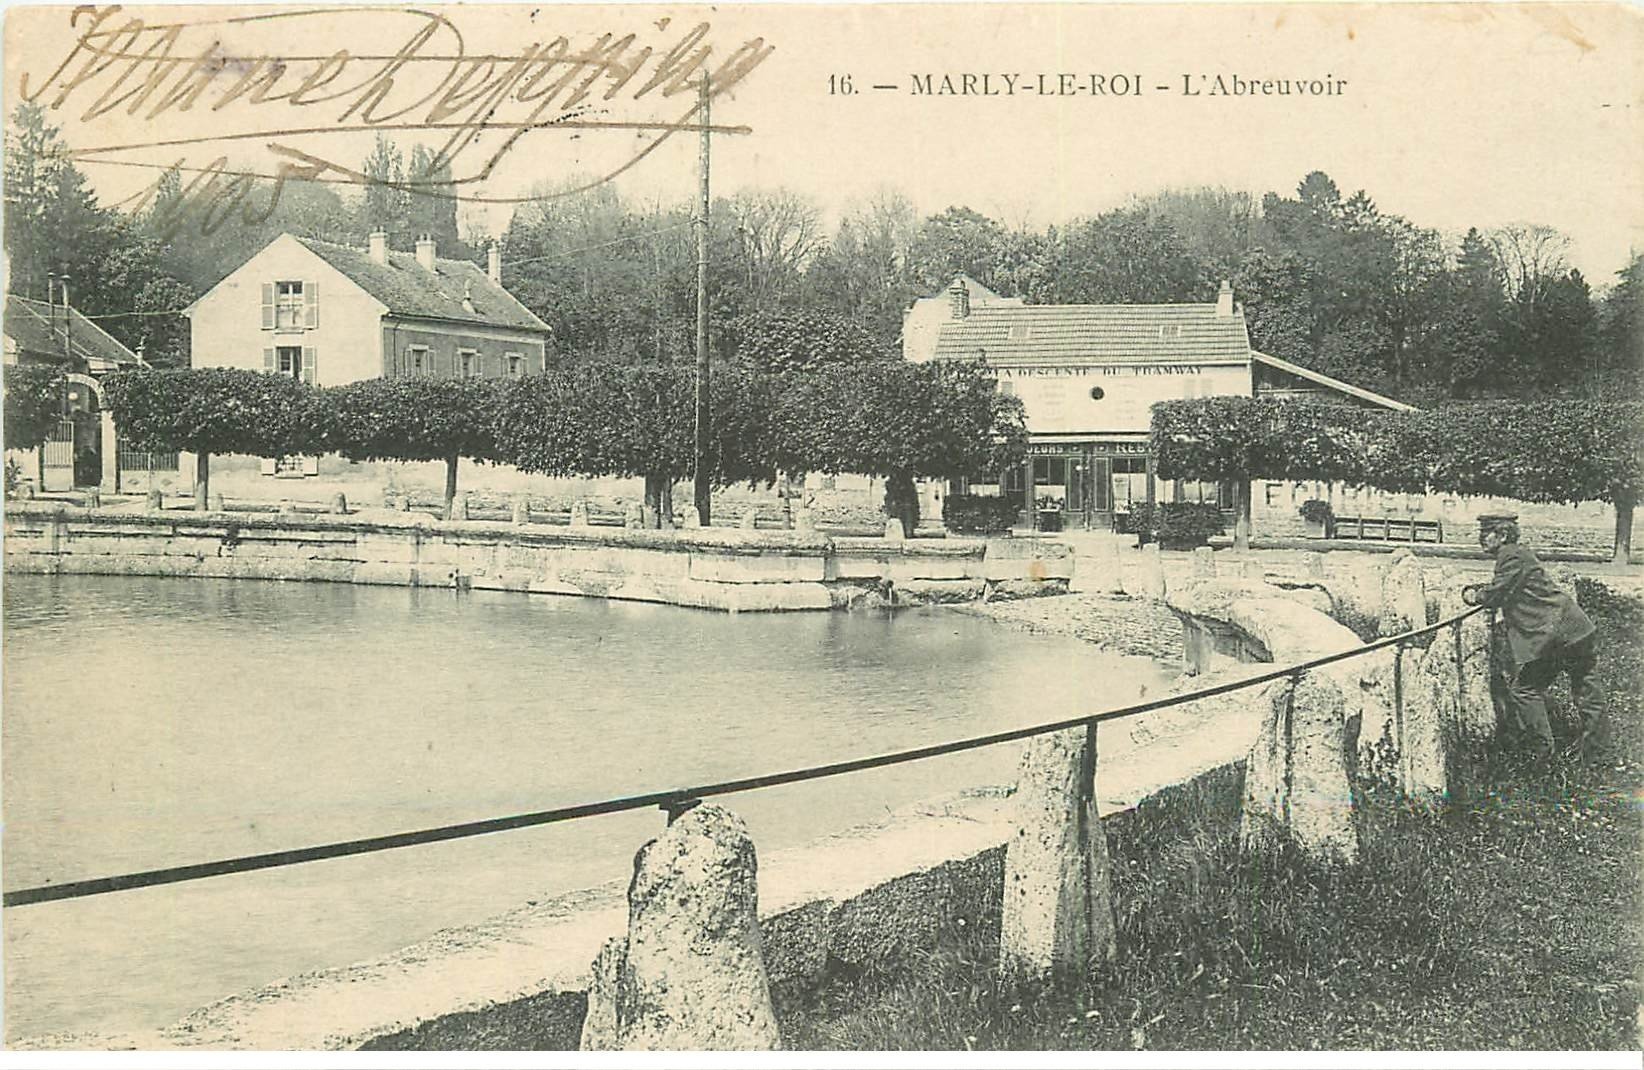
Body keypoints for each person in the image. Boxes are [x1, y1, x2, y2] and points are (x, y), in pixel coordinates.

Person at [1461, 514, 1599, 759]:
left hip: (1557, 635)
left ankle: (1541, 752)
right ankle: (1597, 752)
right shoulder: (1520, 554)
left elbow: (1495, 594)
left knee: (1524, 690)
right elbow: (1509, 585)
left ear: (1502, 535)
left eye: (1486, 533)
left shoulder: (1510, 555)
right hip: (1576, 629)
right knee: (1586, 689)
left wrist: (1473, 595)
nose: (1480, 538)